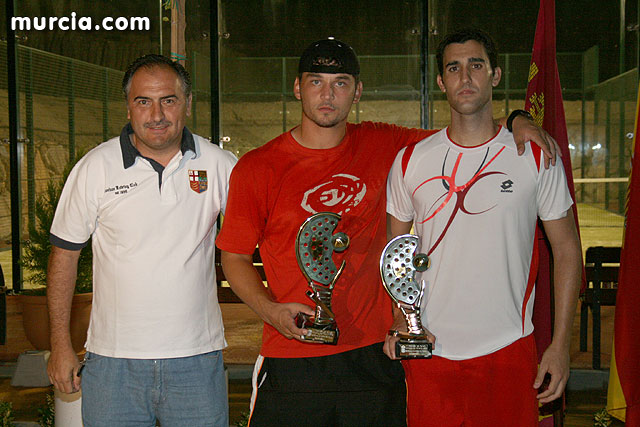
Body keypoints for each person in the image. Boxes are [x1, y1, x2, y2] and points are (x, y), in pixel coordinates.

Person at [216, 38, 557, 426]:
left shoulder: (385, 143)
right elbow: (235, 258)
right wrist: (271, 311)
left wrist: (517, 119)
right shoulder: (258, 167)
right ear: (297, 88)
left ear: (357, 92)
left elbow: (468, 131)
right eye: (316, 81)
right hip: (294, 356)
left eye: (341, 83)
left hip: (374, 359)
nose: (328, 94)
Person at [384, 29, 582, 426]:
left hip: (508, 349)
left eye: (476, 65)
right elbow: (396, 252)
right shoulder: (410, 161)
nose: (465, 77)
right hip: (430, 352)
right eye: (453, 68)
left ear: (495, 75)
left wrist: (560, 346)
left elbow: (568, 252)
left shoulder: (533, 155)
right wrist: (401, 323)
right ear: (441, 82)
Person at [46, 54, 236, 426]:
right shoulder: (95, 167)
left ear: (187, 103)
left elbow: (251, 242)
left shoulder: (219, 165)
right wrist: (60, 345)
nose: (157, 114)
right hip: (112, 364)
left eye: (168, 100)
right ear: (128, 107)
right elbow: (64, 257)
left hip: (197, 361)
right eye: (143, 101)